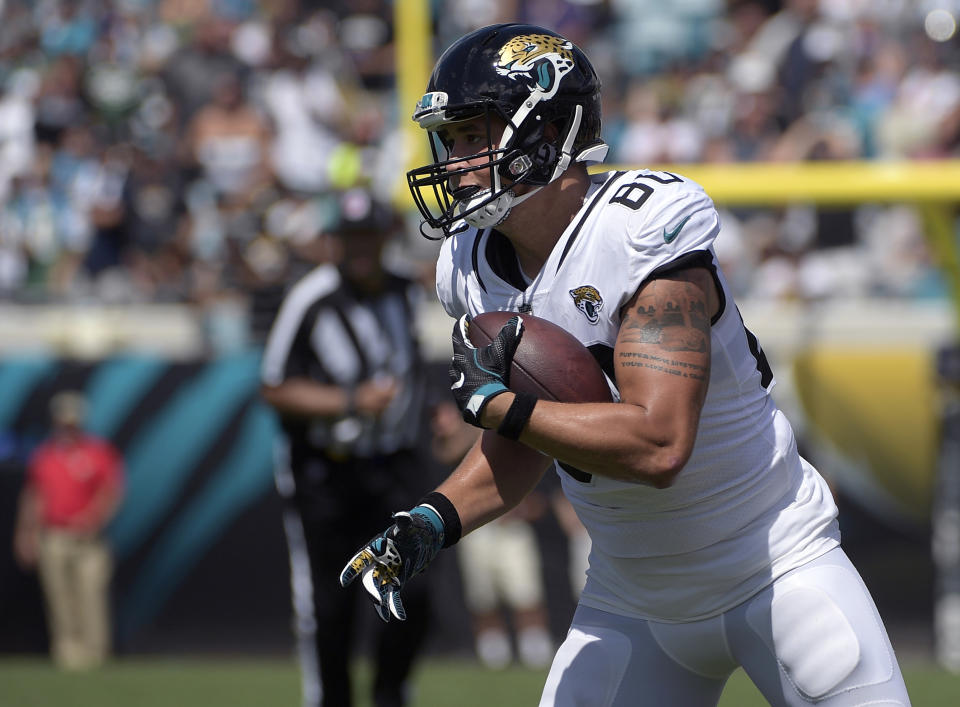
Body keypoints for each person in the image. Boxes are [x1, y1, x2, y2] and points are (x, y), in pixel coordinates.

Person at [339, 23, 913, 706]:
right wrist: (431, 520)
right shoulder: (471, 266)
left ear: (547, 133)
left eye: (474, 137)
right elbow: (533, 437)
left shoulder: (641, 229)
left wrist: (497, 405)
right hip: (632, 596)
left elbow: (660, 444)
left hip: (775, 566)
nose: (456, 161)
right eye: (452, 141)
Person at [260, 187, 432, 707]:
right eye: (349, 237)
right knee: (331, 605)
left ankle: (390, 692)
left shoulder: (406, 292)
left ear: (385, 238)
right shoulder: (311, 298)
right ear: (334, 242)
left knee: (414, 593)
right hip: (325, 471)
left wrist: (437, 415)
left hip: (394, 463)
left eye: (368, 236)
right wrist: (350, 400)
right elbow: (276, 386)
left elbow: (412, 368)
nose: (360, 249)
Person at [430, 398, 553, 670]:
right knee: (482, 594)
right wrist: (457, 427)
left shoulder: (510, 418)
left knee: (525, 590)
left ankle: (534, 648)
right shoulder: (457, 434)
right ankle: (493, 652)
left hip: (511, 527)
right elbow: (447, 452)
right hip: (477, 529)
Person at [12, 390, 125, 671]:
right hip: (54, 535)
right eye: (63, 421)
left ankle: (95, 653)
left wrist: (94, 517)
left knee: (91, 594)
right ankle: (67, 652)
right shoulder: (45, 455)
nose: (67, 426)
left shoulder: (97, 452)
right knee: (60, 597)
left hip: (89, 538)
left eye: (72, 421)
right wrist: (26, 533)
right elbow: (34, 496)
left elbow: (111, 490)